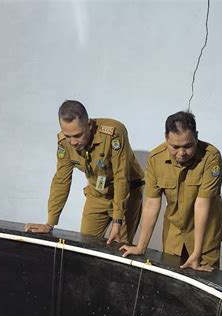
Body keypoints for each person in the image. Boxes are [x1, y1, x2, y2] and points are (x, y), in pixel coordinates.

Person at [25, 100, 143, 244]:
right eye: (67, 136)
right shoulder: (64, 143)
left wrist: (117, 221)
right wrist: (50, 223)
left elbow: (121, 176)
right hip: (97, 194)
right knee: (85, 245)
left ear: (89, 125)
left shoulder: (114, 133)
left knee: (119, 248)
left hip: (126, 193)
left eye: (77, 135)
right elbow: (61, 180)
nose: (73, 142)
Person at [120, 111, 222, 271]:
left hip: (205, 236)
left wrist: (197, 253)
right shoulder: (156, 159)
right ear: (166, 138)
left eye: (188, 146)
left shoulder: (211, 158)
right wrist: (141, 247)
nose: (182, 153)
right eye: (175, 147)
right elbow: (151, 205)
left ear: (196, 136)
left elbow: (202, 205)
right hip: (173, 234)